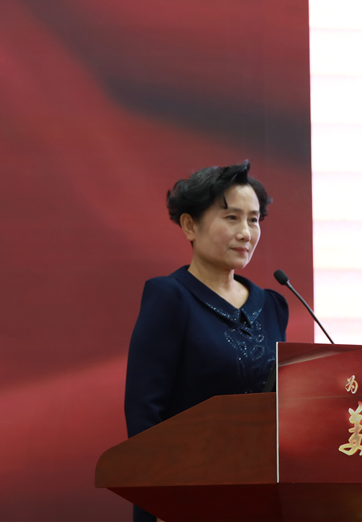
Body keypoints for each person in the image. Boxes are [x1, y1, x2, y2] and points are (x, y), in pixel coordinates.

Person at [124, 161, 289, 522]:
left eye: (253, 220)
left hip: (258, 497)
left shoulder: (273, 306)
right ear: (190, 225)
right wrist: (164, 498)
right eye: (231, 218)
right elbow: (144, 412)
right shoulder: (170, 298)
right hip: (183, 498)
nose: (245, 233)